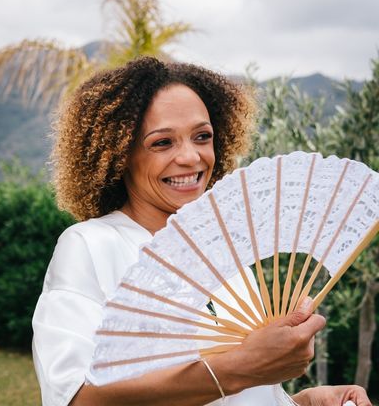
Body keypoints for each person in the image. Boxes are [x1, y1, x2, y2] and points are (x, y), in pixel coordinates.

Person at [32, 57, 372, 406]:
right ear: (119, 155)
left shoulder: (223, 250)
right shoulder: (92, 246)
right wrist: (242, 368)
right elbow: (75, 398)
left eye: (202, 137)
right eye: (163, 142)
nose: (192, 157)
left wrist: (306, 401)